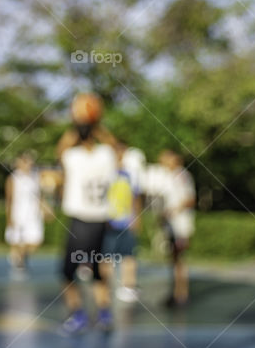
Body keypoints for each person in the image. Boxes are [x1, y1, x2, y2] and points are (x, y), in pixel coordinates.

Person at [56, 93, 118, 334]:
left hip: (82, 221)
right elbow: (113, 146)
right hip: (102, 221)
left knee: (67, 271)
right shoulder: (107, 157)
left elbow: (61, 149)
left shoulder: (75, 158)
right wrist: (96, 125)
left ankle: (78, 314)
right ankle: (103, 314)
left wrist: (78, 125)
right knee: (96, 270)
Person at [150, 150, 195, 308]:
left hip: (180, 225)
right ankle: (175, 292)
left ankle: (182, 294)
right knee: (173, 259)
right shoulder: (165, 176)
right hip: (170, 225)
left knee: (180, 258)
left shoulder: (182, 176)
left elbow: (190, 199)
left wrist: (175, 210)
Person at [100, 144, 145, 303]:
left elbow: (136, 197)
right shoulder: (105, 173)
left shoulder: (131, 174)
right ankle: (106, 286)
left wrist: (137, 218)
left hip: (126, 221)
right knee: (105, 256)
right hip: (108, 221)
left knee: (129, 255)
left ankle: (128, 286)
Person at [4, 152, 45, 274]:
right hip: (19, 214)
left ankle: (19, 257)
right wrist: (9, 217)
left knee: (36, 241)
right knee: (17, 240)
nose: (29, 164)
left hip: (33, 215)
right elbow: (9, 199)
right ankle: (20, 262)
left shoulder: (36, 177)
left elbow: (39, 196)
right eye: (26, 161)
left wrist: (44, 209)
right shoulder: (13, 178)